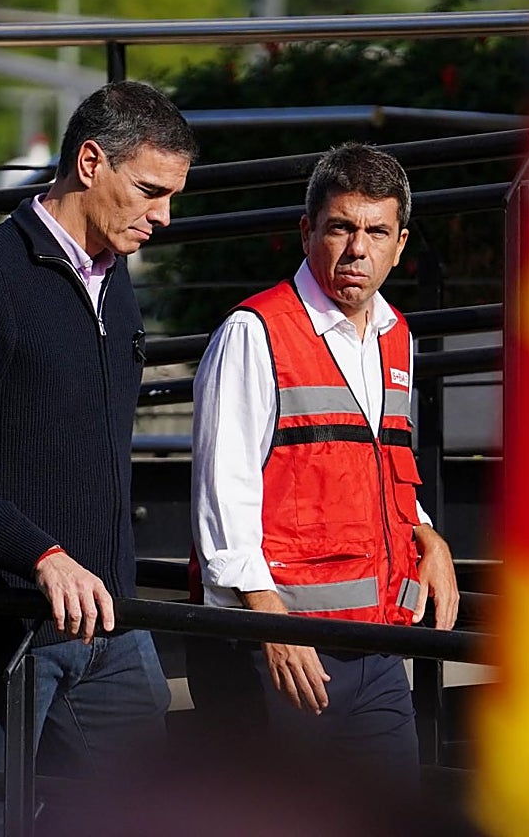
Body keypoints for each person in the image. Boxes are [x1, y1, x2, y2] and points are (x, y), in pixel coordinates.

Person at [0, 80, 197, 836]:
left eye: (173, 196)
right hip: (0, 631)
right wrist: (41, 557)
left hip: (110, 626)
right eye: (151, 191)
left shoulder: (116, 285)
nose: (165, 216)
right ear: (90, 162)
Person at [190, 142, 460, 785]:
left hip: (377, 646)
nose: (357, 249)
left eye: (376, 232)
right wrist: (272, 626)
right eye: (340, 227)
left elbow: (378, 464)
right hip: (280, 651)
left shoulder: (397, 336)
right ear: (306, 231)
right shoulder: (254, 332)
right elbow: (222, 493)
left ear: (400, 245)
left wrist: (428, 535)